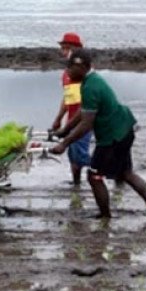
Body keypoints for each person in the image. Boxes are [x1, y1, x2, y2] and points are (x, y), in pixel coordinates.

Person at [50, 49, 146, 219]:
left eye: (70, 68)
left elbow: (86, 124)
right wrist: (65, 129)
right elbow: (84, 111)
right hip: (124, 129)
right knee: (126, 173)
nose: (67, 72)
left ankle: (105, 215)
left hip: (112, 137)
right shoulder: (91, 80)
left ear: (81, 67)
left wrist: (64, 143)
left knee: (94, 176)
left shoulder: (90, 87)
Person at [51, 32, 92, 186]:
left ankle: (116, 170)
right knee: (73, 154)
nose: (64, 52)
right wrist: (58, 119)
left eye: (66, 48)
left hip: (84, 120)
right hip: (72, 119)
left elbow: (86, 101)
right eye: (62, 48)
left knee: (80, 154)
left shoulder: (82, 72)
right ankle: (76, 183)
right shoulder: (67, 74)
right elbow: (68, 98)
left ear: (76, 49)